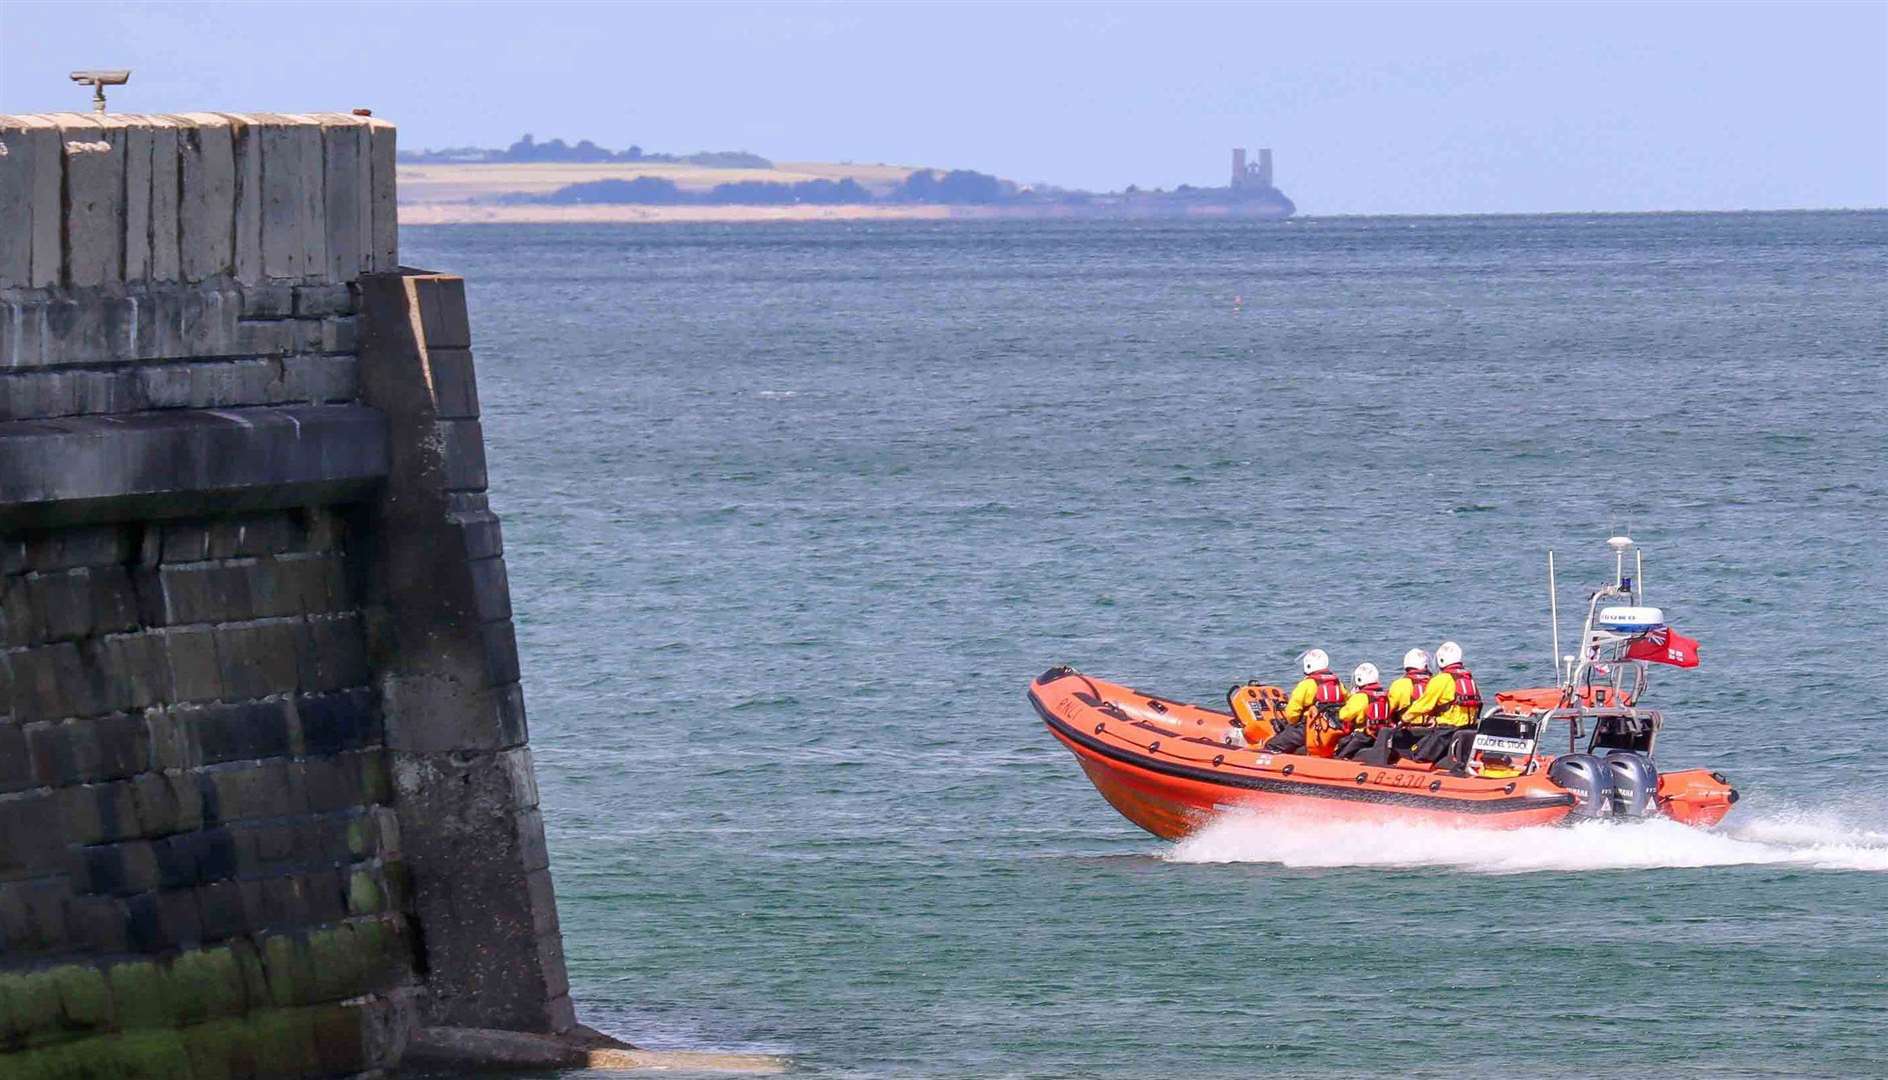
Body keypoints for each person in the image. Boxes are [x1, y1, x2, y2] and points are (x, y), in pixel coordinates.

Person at [1403, 641, 1484, 768]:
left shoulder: (1441, 680)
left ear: (1441, 660)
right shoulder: (1469, 679)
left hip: (1446, 732)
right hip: (1469, 730)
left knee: (1416, 754)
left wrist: (1404, 719)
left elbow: (1423, 705)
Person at [1264, 649, 1346, 754]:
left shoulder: (1306, 684)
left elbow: (1292, 713)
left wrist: (1291, 724)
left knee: (1272, 745)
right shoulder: (1338, 683)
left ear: (1308, 665)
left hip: (1307, 728)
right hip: (1332, 726)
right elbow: (1347, 702)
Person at [1333, 663, 1391, 760]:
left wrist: (1350, 698)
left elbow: (1344, 716)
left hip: (1362, 735)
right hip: (1380, 735)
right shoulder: (1384, 695)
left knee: (1341, 754)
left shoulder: (1360, 697)